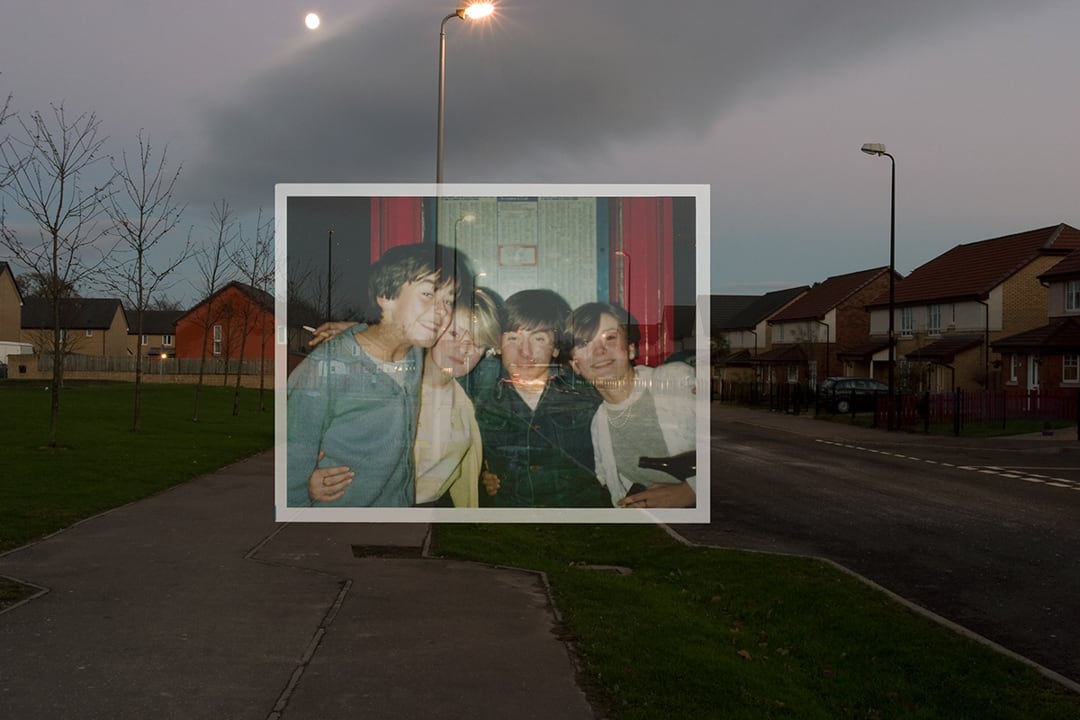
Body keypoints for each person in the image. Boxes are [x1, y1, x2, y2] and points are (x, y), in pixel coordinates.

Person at [286, 243, 471, 508]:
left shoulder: (415, 353)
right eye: (428, 294)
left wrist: (359, 327)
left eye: (448, 301)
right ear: (386, 295)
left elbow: (386, 333)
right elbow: (291, 461)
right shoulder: (324, 368)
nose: (442, 311)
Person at [307, 287, 503, 508]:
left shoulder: (465, 405)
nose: (463, 349)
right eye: (454, 334)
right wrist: (307, 478)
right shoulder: (383, 386)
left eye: (477, 342)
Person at [474, 289, 612, 508]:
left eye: (538, 338)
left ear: (556, 348)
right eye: (513, 339)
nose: (525, 352)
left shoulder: (587, 395)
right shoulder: (482, 400)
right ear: (499, 345)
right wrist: (481, 478)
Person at [567, 302, 697, 508]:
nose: (599, 351)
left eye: (610, 338)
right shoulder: (598, 425)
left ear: (630, 348)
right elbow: (613, 487)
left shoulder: (674, 381)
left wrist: (690, 492)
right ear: (575, 365)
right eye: (584, 344)